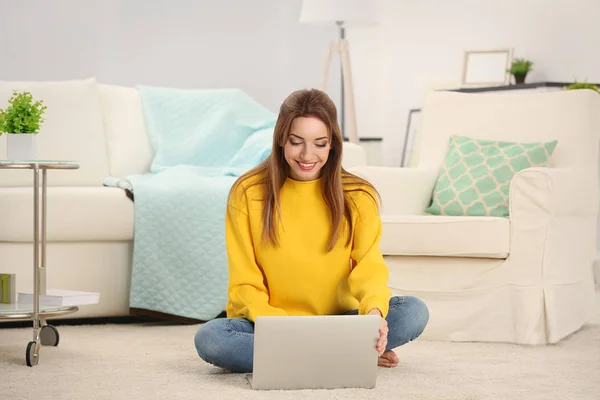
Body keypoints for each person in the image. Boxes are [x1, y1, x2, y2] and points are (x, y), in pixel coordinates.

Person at [194, 88, 429, 373]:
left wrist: (374, 315)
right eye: (296, 142)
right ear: (282, 139)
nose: (308, 155)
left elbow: (369, 268)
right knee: (212, 339)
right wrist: (283, 329)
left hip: (338, 320)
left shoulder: (358, 194)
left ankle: (307, 355)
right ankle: (345, 355)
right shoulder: (247, 192)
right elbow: (244, 283)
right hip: (269, 325)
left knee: (414, 311)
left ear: (333, 144)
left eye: (320, 143)